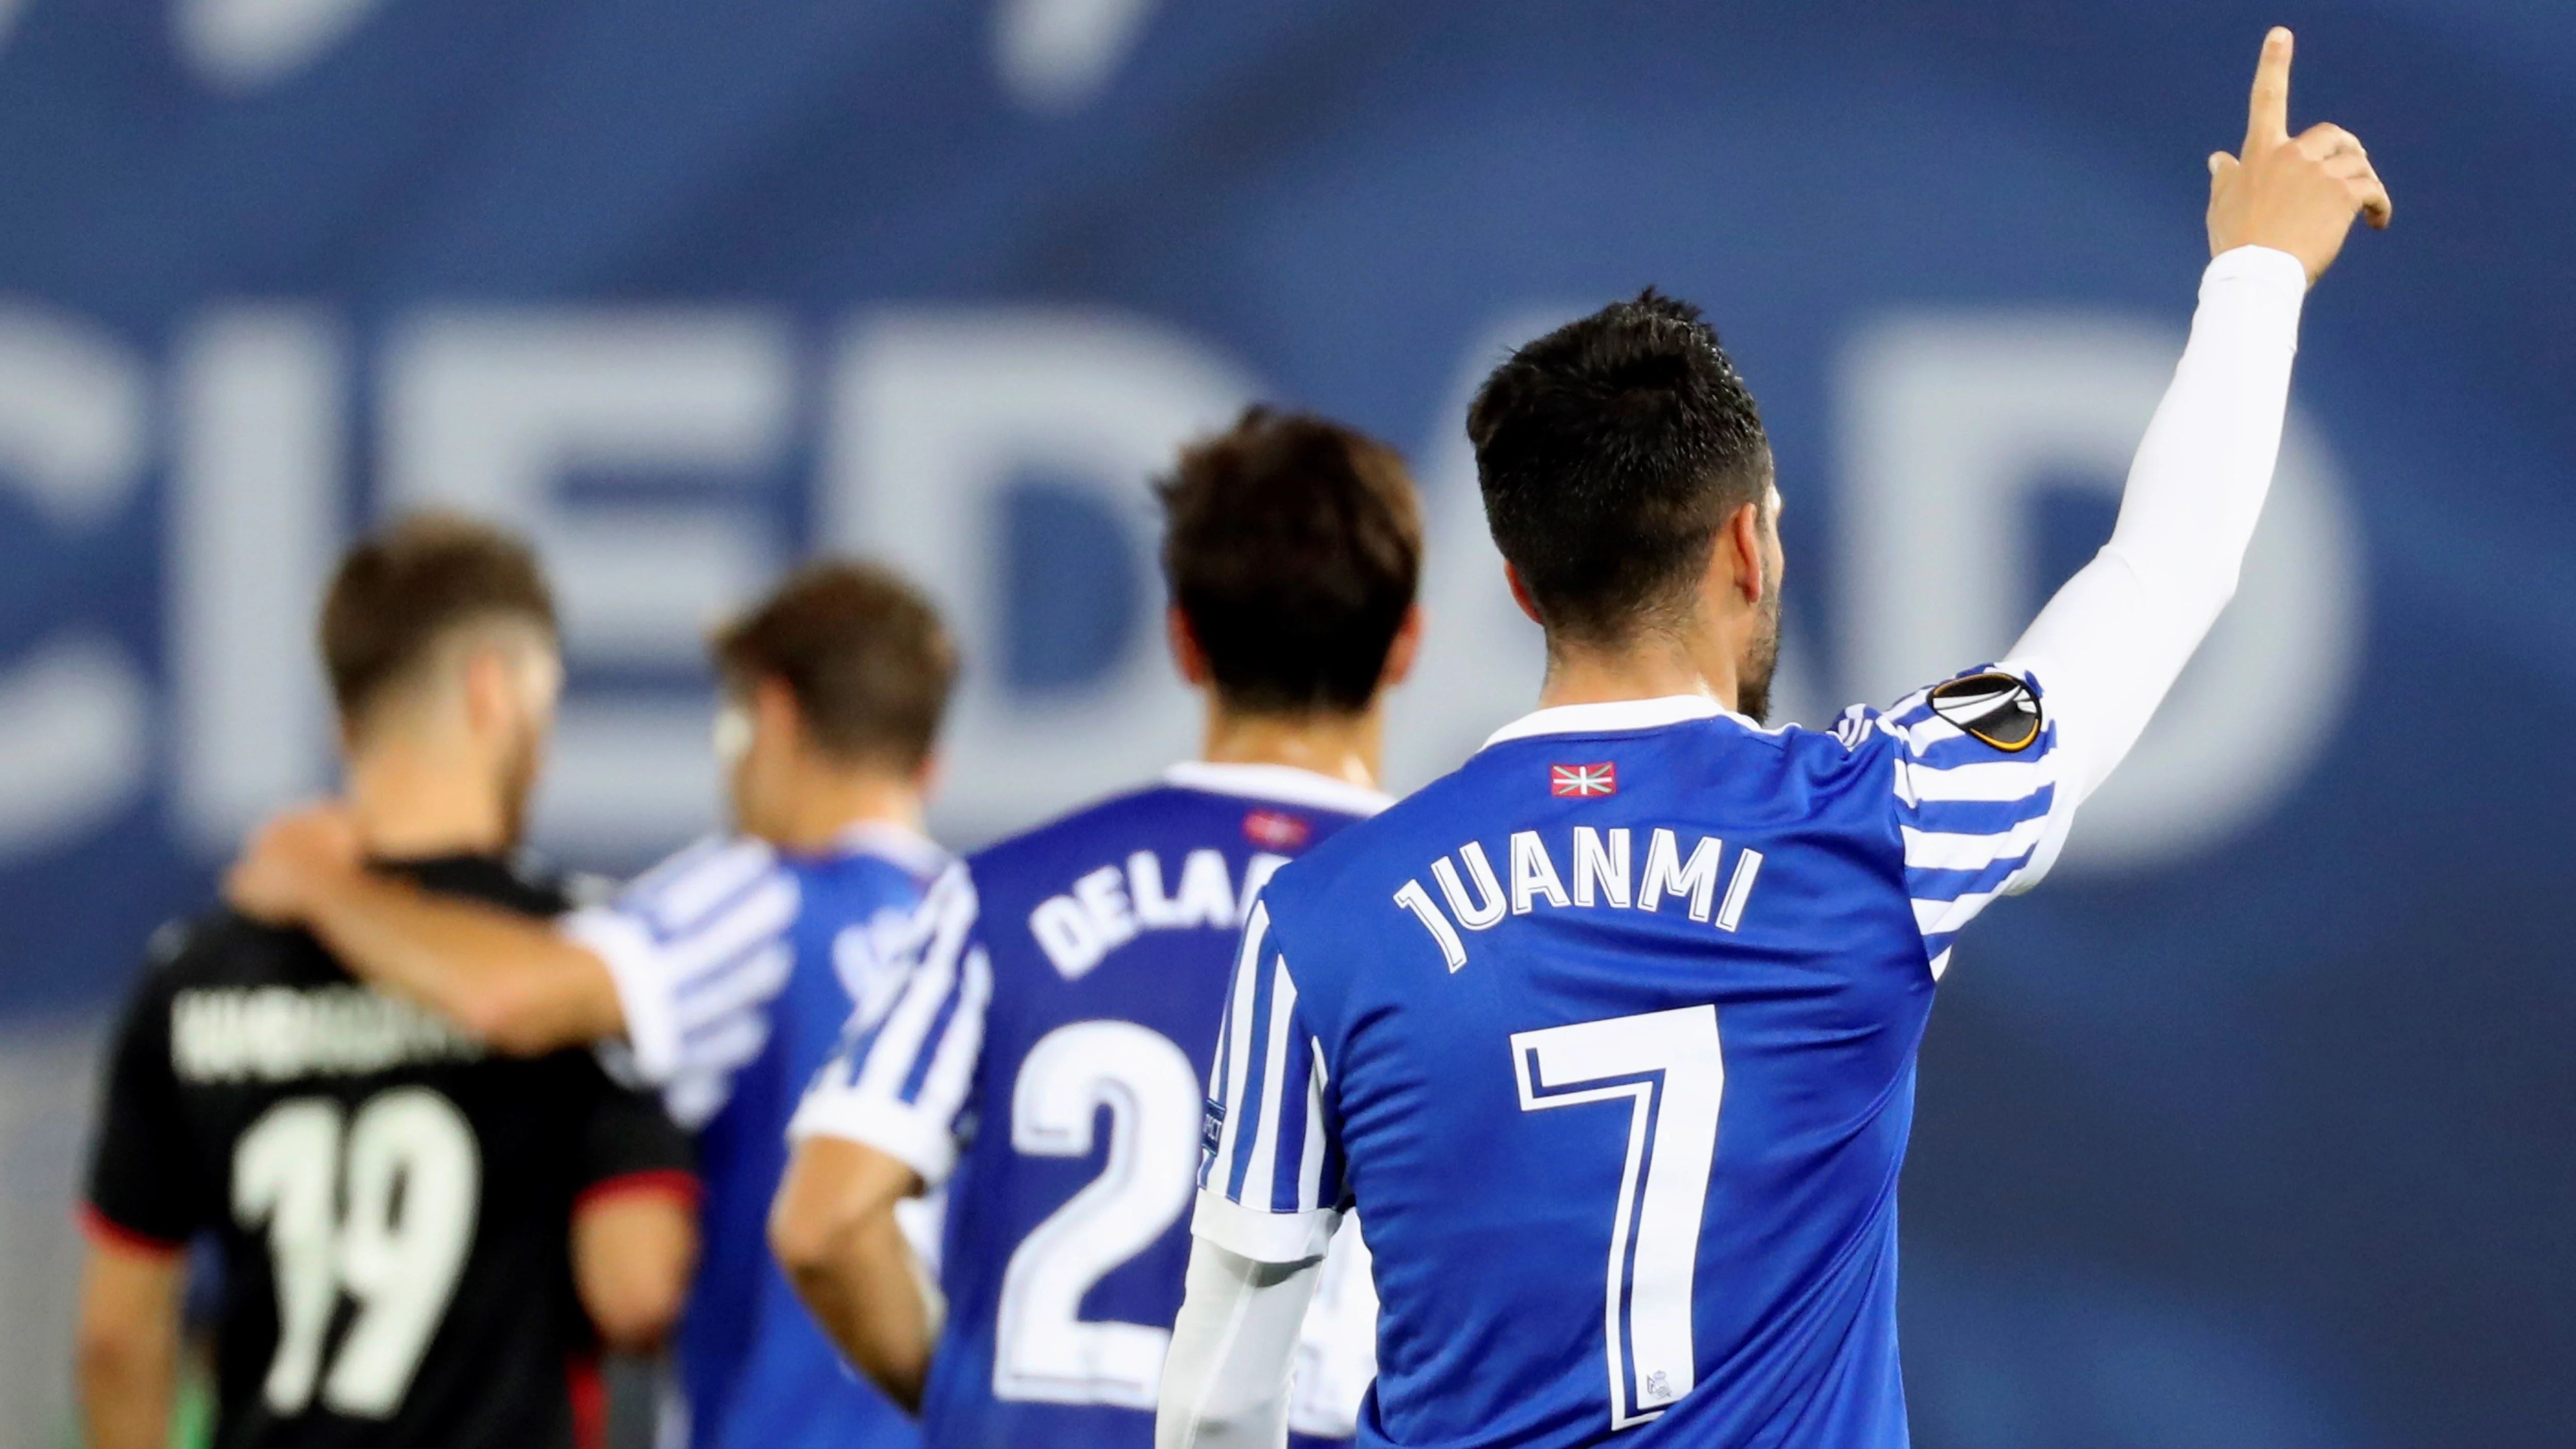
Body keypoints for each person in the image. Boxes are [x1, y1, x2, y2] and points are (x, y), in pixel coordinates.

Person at [1155, 29, 2393, 1449]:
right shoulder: (1879, 825)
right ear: (1750, 541)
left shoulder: (1323, 919)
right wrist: (2255, 274)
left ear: (1517, 584)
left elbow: (1218, 1403)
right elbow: (2166, 570)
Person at [768, 408, 1417, 1448]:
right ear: (1406, 640)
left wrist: (973, 1408)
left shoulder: (1000, 895)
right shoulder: (1457, 923)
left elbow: (824, 1221)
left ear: (1181, 636)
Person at [224, 561, 959, 1449]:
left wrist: (324, 885)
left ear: (770, 716)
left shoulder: (763, 900)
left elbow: (513, 995)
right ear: (929, 760)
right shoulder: (989, 922)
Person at [77, 516, 700, 1449]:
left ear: (345, 717)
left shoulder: (193, 976)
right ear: (495, 691)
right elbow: (635, 1281)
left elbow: (117, 1339)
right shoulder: (582, 965)